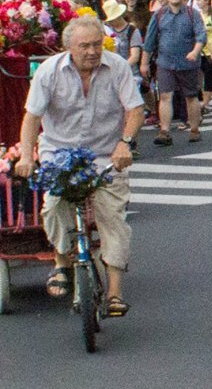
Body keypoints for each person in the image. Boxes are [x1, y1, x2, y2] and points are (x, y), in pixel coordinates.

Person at [15, 17, 145, 313]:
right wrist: (26, 156)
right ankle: (62, 261)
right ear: (68, 48)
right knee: (54, 206)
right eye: (84, 46)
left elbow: (135, 109)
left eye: (97, 44)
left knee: (113, 217)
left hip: (105, 154)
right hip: (59, 153)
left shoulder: (117, 67)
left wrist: (125, 142)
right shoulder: (49, 71)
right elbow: (32, 117)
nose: (92, 51)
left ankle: (114, 293)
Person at [143, 0, 208, 145]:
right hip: (165, 62)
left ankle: (194, 129)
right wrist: (144, 63)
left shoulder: (192, 14)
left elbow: (201, 35)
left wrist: (195, 51)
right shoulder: (159, 15)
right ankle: (164, 131)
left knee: (191, 96)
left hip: (188, 63)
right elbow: (149, 41)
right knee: (165, 95)